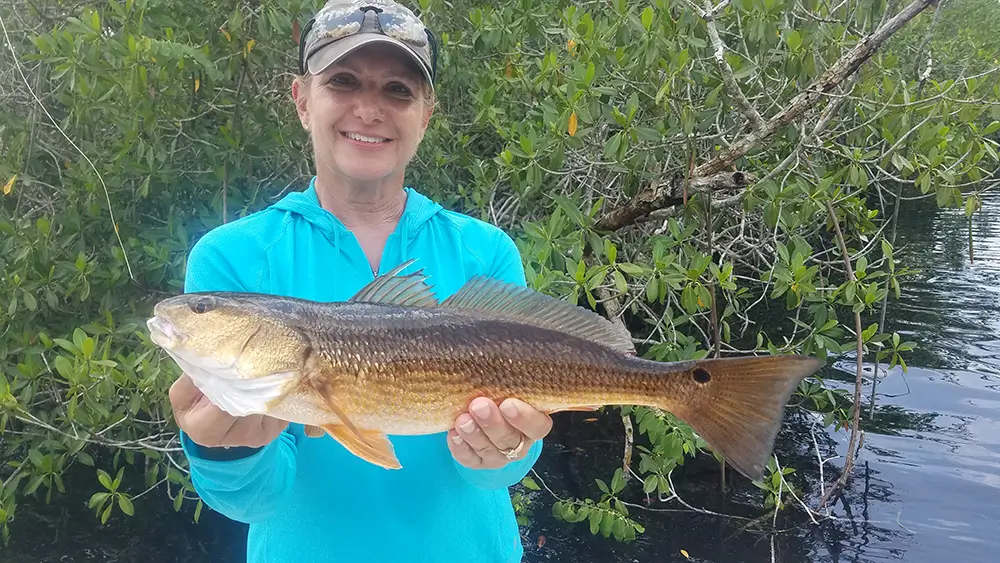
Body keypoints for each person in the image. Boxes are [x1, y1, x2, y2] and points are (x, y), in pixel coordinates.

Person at [166, 0, 552, 561]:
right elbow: (252, 502)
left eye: (398, 90)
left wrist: (506, 451)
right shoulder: (231, 258)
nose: (368, 109)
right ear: (301, 100)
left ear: (427, 113)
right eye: (343, 81)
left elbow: (499, 475)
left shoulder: (485, 252)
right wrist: (225, 453)